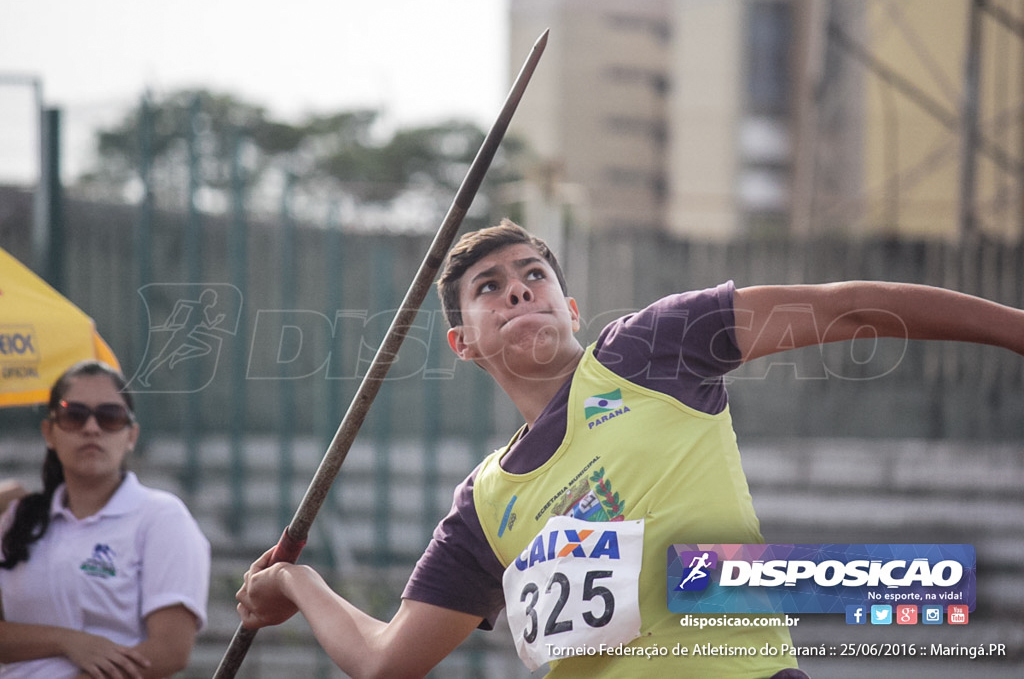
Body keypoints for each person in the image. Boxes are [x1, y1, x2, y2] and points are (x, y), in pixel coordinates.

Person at [235, 219, 1024, 678]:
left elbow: (849, 311)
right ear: (463, 344)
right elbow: (386, 661)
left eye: (533, 274)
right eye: (489, 287)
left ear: (568, 304)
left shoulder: (647, 350)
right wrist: (298, 582)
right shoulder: (484, 505)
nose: (517, 289)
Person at [0, 360, 210, 679]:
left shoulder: (160, 516)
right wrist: (68, 641)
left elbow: (170, 651)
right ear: (49, 432)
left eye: (110, 417)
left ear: (131, 435)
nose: (92, 428)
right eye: (74, 414)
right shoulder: (18, 519)